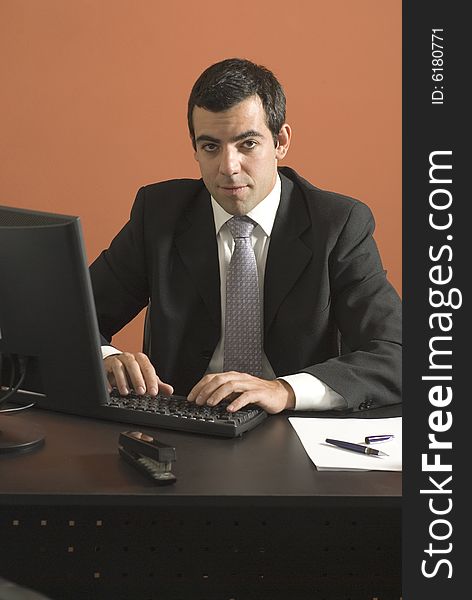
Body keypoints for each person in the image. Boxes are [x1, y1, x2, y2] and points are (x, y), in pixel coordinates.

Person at [90, 58, 402, 415]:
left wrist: (283, 390)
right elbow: (72, 317)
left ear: (281, 141)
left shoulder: (338, 225)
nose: (228, 166)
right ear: (194, 148)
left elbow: (397, 352)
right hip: (184, 427)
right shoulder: (159, 214)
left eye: (247, 144)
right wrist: (105, 357)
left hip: (294, 432)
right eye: (210, 147)